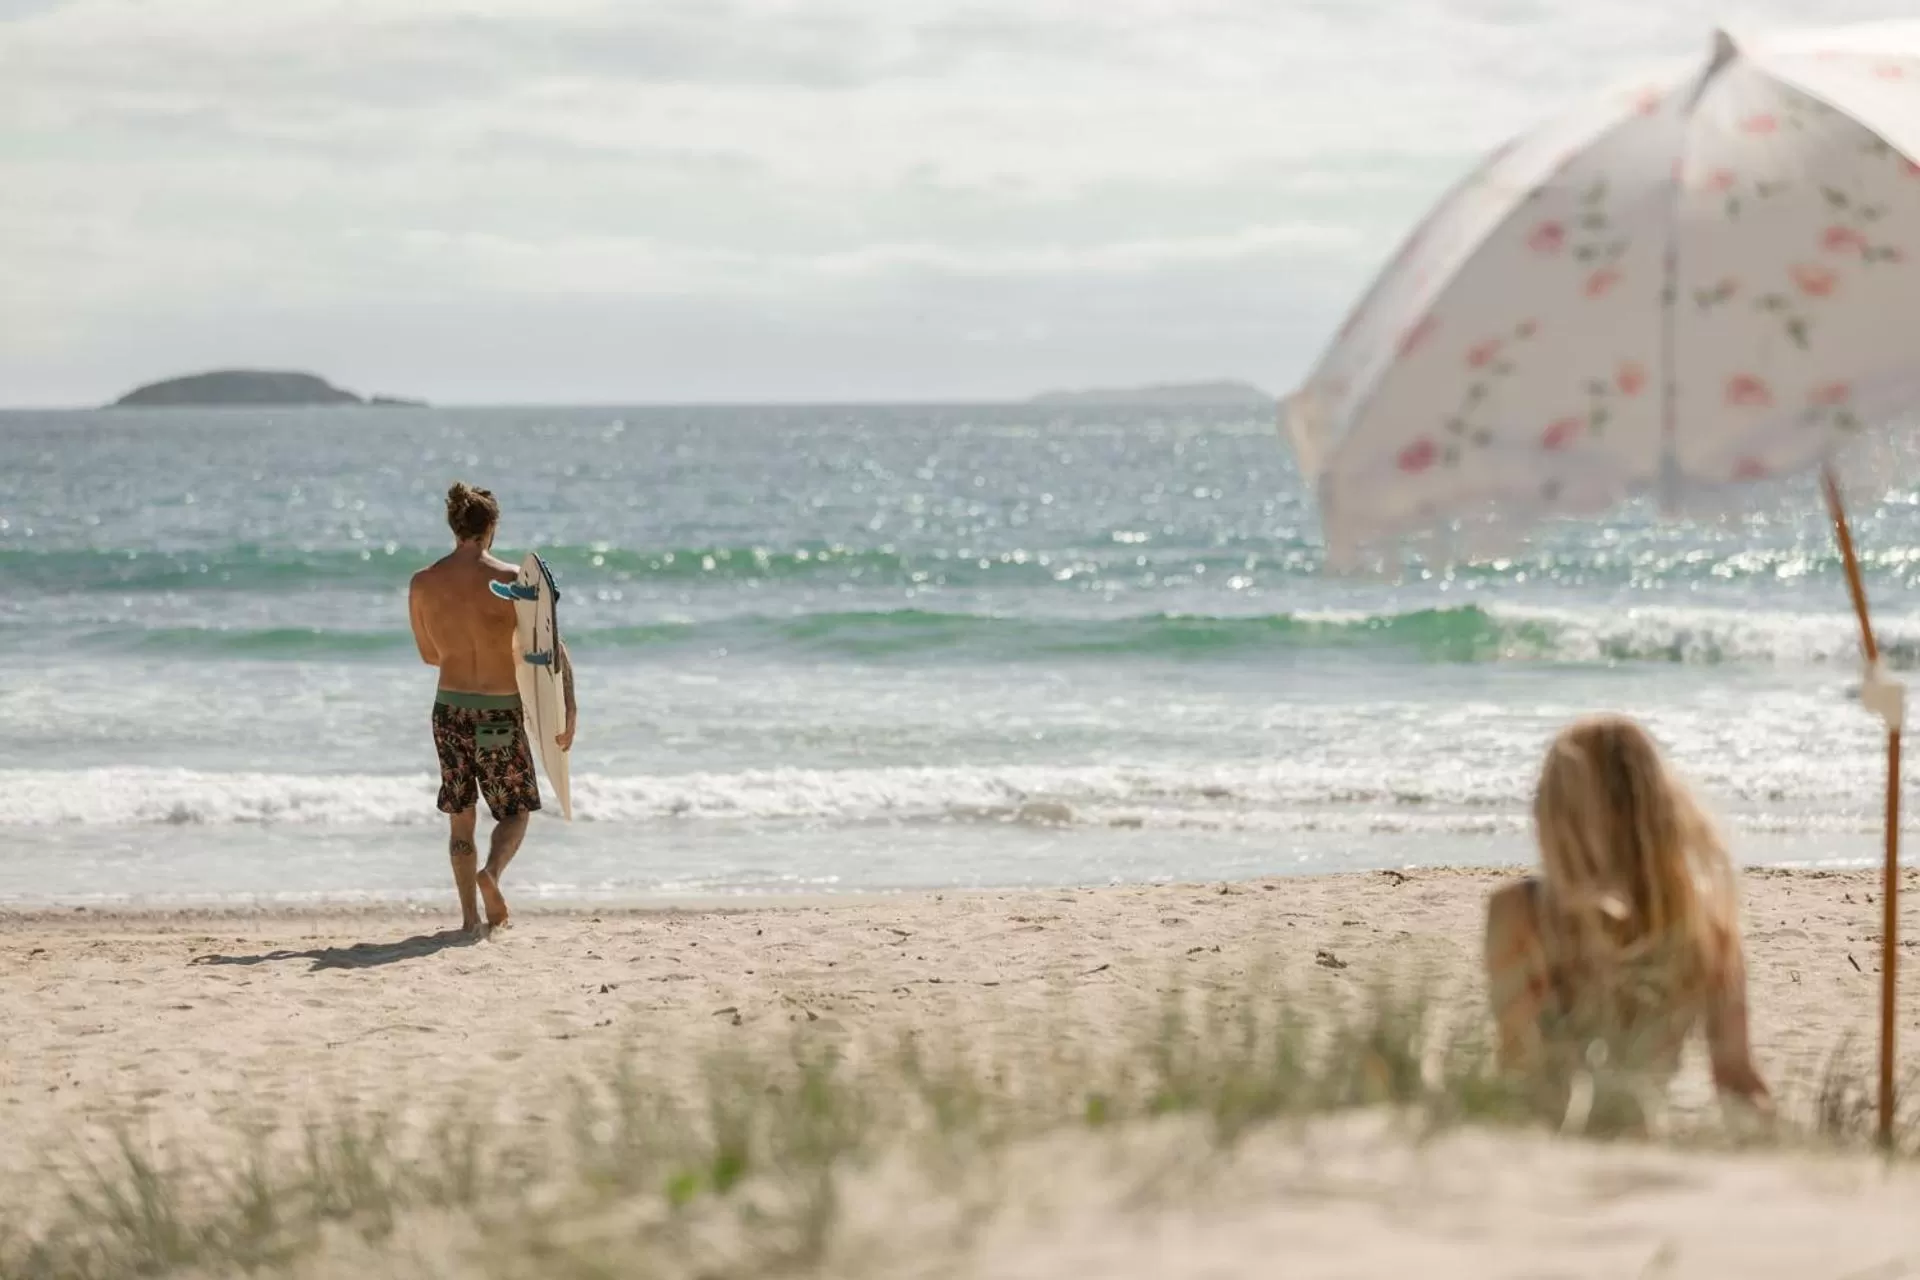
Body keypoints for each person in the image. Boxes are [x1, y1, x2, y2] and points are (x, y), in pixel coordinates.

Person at [1483, 714, 1770, 1132]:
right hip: (1642, 1139)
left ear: (1565, 817)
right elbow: (1737, 1080)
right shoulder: (1703, 923)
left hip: (1536, 1150)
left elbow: (1522, 1069)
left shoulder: (1519, 913)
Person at [409, 483, 575, 934]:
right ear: (491, 528)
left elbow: (429, 655)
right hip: (500, 712)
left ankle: (467, 920)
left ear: (453, 527)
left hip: (449, 710)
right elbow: (550, 647)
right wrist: (569, 709)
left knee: (461, 819)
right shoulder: (511, 583)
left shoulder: (423, 583)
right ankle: (492, 874)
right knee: (514, 810)